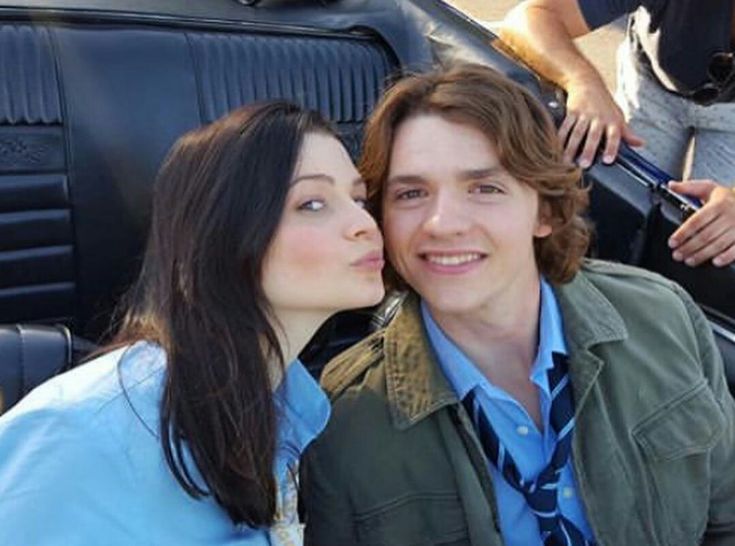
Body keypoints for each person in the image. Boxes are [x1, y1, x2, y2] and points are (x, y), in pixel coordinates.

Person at [301, 64, 735, 546]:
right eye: (411, 193)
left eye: (485, 188)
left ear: (545, 211)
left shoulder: (662, 317)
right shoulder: (343, 421)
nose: (442, 222)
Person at [0, 101, 385, 544]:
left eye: (357, 198)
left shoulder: (288, 408)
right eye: (313, 203)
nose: (363, 223)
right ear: (223, 233)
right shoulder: (86, 430)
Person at [499, 0, 735, 268]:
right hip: (651, 87)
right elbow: (531, 17)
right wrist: (582, 81)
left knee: (712, 245)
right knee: (613, 207)